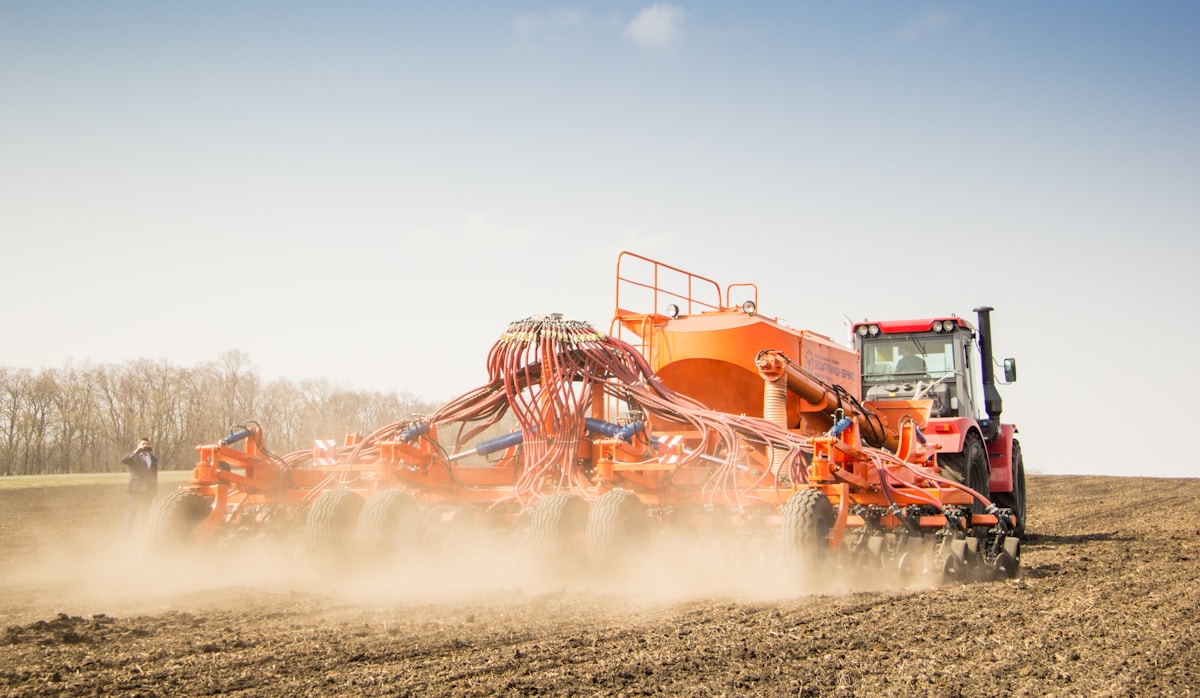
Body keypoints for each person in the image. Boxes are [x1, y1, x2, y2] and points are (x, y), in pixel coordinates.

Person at [121, 437, 158, 531]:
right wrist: (137, 451)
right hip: (135, 489)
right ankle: (127, 534)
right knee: (132, 513)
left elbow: (154, 476)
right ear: (138, 445)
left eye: (147, 444)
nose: (145, 446)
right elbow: (124, 460)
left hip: (148, 491)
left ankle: (143, 533)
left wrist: (154, 490)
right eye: (143, 444)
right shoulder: (134, 457)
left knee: (145, 514)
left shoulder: (153, 458)